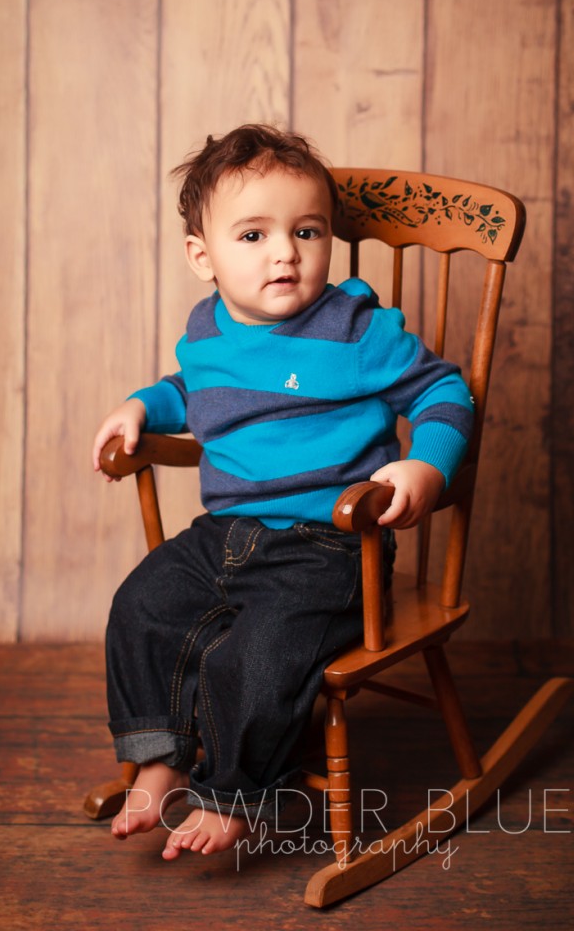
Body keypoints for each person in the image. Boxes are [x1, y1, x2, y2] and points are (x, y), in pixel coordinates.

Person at [92, 124, 474, 860]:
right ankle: (163, 756)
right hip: (224, 536)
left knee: (256, 653)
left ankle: (235, 791)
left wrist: (428, 465)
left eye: (307, 230)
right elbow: (193, 391)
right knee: (141, 607)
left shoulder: (356, 330)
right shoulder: (206, 332)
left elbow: (444, 391)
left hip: (331, 549)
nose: (285, 253)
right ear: (202, 257)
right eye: (253, 235)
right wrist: (143, 407)